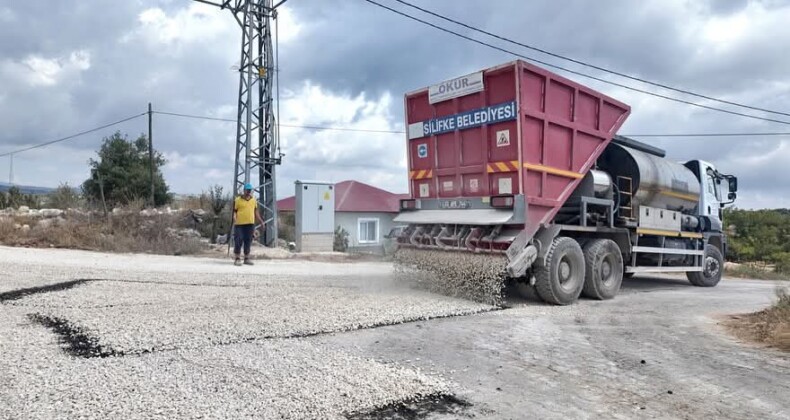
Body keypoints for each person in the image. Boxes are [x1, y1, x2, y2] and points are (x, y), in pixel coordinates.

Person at [232, 183, 265, 266]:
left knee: (248, 240)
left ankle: (246, 258)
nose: (248, 192)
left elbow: (256, 211)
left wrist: (261, 221)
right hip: (239, 223)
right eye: (247, 190)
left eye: (250, 191)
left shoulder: (253, 200)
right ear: (244, 190)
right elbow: (235, 211)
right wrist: (234, 217)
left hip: (250, 224)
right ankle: (237, 258)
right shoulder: (237, 200)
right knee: (238, 240)